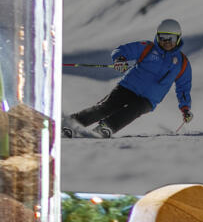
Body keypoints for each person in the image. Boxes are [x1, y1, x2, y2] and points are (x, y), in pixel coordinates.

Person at [65, 19, 193, 137]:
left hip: (149, 99)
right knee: (106, 107)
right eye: (163, 37)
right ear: (157, 37)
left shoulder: (182, 63)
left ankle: (105, 128)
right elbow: (122, 50)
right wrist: (120, 59)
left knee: (133, 111)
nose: (166, 42)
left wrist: (185, 109)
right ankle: (69, 124)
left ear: (178, 38)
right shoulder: (147, 48)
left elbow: (183, 88)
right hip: (128, 87)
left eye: (170, 38)